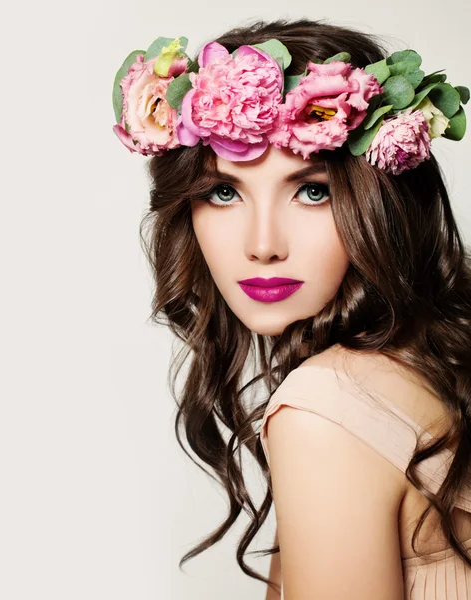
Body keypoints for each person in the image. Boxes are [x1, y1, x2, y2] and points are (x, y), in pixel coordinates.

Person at [111, 17, 471, 599]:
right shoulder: (427, 370)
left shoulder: (326, 412)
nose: (262, 244)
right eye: (223, 192)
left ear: (380, 202)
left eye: (312, 190)